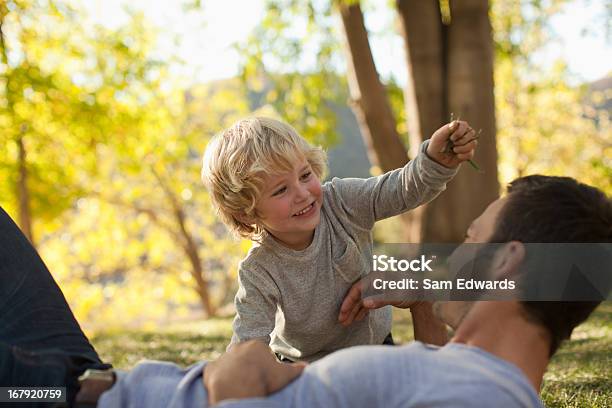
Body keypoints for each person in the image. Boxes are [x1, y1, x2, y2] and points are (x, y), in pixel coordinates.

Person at [2, 175, 609, 408]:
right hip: (74, 382)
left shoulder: (481, 399)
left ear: (506, 260)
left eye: (472, 237)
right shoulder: (479, 374)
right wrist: (423, 299)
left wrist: (235, 388)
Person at [201, 117, 477, 361]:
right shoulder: (259, 270)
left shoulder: (342, 202)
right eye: (281, 190)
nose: (303, 193)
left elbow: (401, 189)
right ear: (247, 213)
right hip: (309, 367)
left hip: (376, 348)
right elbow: (248, 341)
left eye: (305, 175)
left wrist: (435, 161)